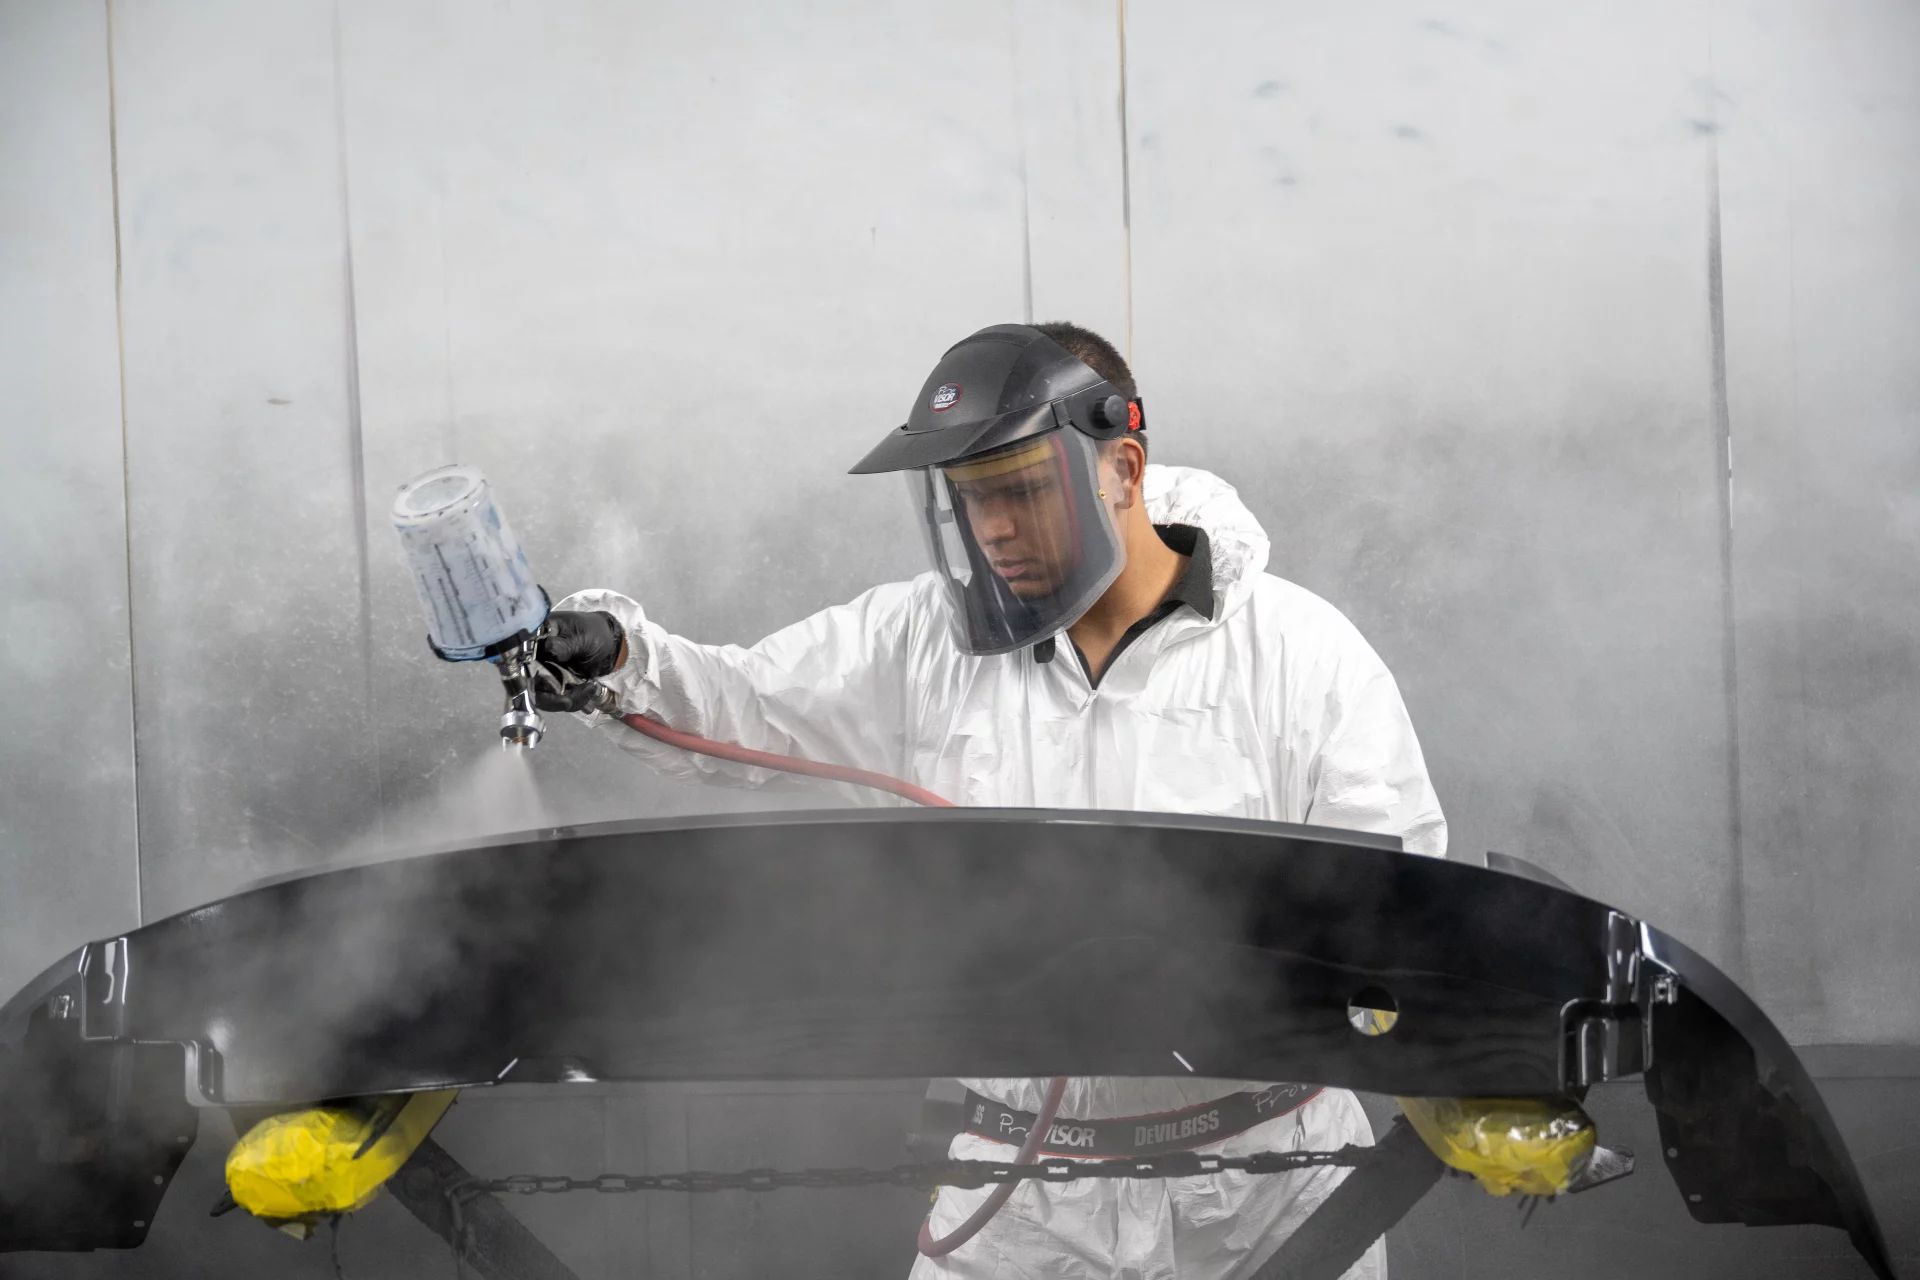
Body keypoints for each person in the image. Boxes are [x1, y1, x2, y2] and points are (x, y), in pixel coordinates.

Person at [534, 322, 1447, 1279]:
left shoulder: (1300, 654)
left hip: (1265, 1192)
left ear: (1122, 469)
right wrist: (620, 659)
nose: (992, 531)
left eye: (1020, 491)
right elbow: (744, 708)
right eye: (970, 501)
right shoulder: (921, 645)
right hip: (1022, 1204)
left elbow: (1402, 913)